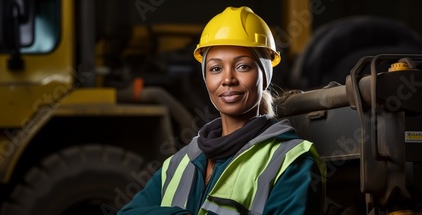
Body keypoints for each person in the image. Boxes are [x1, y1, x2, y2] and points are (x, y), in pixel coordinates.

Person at [118, 6, 326, 215]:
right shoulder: (180, 162)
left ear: (265, 76)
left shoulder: (291, 160)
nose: (228, 79)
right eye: (216, 69)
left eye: (243, 66)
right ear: (206, 78)